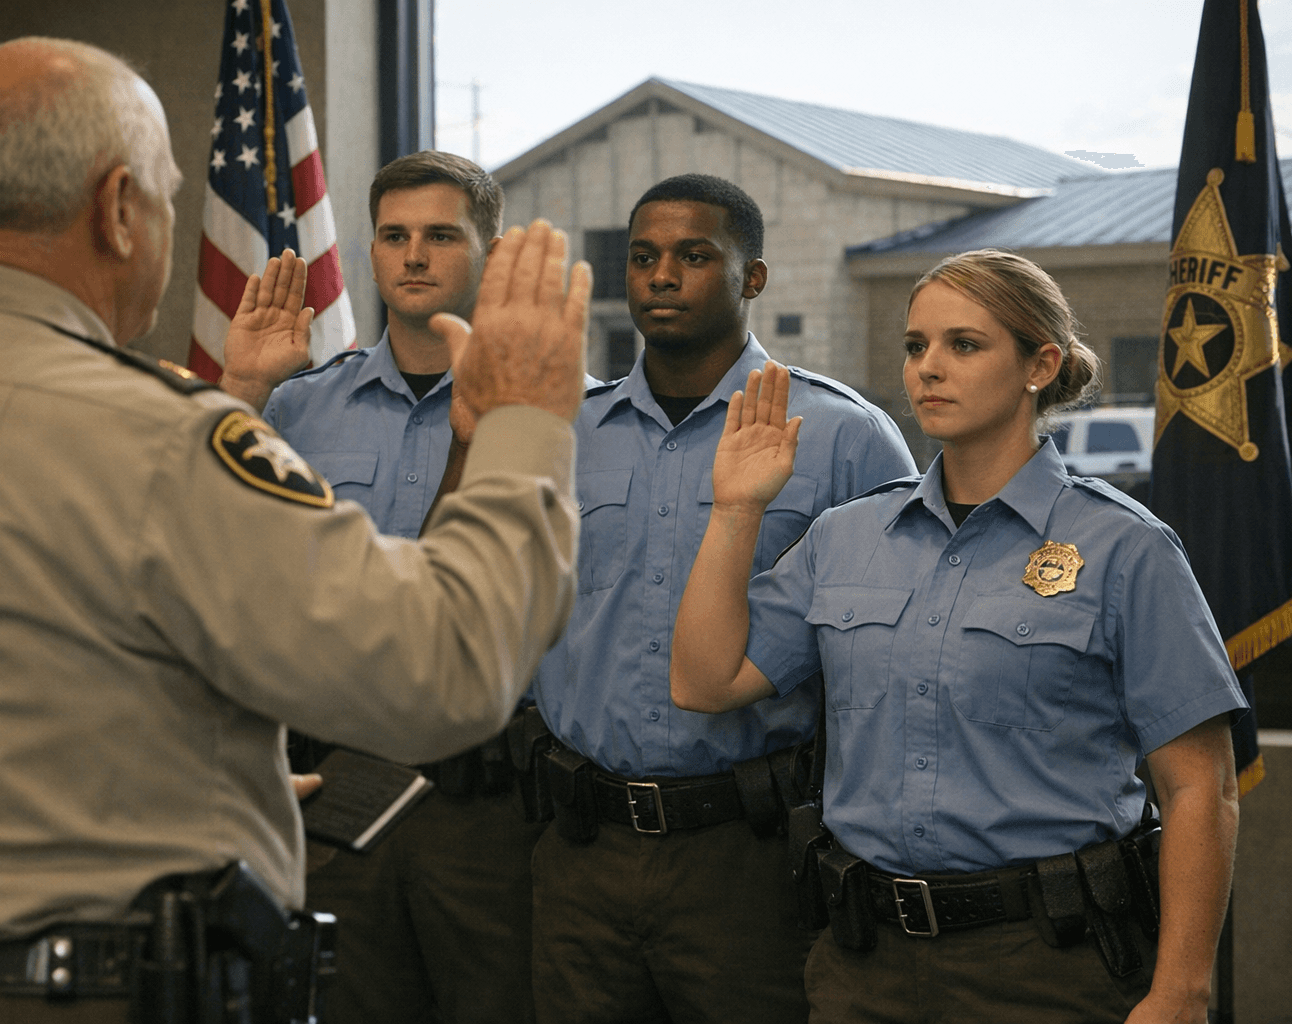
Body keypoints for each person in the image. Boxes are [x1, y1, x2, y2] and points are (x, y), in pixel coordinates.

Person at [0, 37, 591, 1023]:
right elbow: (452, 665)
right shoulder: (160, 438)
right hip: (93, 993)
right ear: (118, 209)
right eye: (164, 196)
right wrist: (528, 418)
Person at [670, 248, 1244, 1024]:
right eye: (915, 346)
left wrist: (1182, 989)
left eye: (963, 345)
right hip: (862, 962)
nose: (927, 368)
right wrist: (736, 511)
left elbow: (1199, 787)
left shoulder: (1123, 546)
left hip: (1044, 962)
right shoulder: (848, 537)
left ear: (1040, 364)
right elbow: (704, 683)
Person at [524, 174, 917, 1023]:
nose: (661, 275)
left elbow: (893, 653)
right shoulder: (561, 430)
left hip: (751, 852)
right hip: (580, 847)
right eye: (643, 257)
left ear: (753, 278)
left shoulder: (844, 436)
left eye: (694, 255)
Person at [220, 151, 545, 1024]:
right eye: (394, 236)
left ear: (494, 251)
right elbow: (213, 549)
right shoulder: (298, 408)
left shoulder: (558, 412)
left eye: (442, 236)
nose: (413, 256)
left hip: (487, 800)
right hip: (335, 782)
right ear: (368, 252)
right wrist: (245, 387)